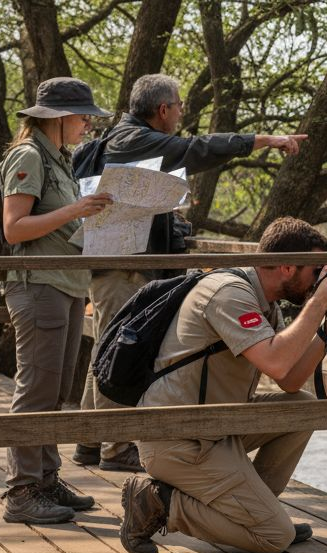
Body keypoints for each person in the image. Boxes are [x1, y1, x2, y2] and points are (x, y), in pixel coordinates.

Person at [73, 73, 309, 473]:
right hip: (121, 270)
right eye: (179, 106)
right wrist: (264, 141)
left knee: (109, 346)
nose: (181, 112)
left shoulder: (126, 138)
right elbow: (196, 149)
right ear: (163, 109)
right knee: (120, 348)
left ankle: (90, 440)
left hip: (121, 266)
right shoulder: (134, 140)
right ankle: (114, 446)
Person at [119, 217, 327, 553]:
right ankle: (157, 502)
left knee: (302, 407)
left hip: (216, 429)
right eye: (316, 271)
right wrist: (316, 305)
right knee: (273, 537)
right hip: (178, 438)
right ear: (286, 266)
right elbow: (276, 362)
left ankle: (255, 513)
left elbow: (289, 380)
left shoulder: (262, 298)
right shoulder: (229, 293)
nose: (319, 280)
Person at [0, 77, 116, 524]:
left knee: (54, 392)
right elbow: (15, 228)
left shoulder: (60, 159)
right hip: (38, 285)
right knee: (35, 392)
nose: (88, 123)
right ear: (59, 118)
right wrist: (77, 211)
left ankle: (46, 479)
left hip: (66, 284)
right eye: (84, 116)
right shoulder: (29, 156)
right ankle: (22, 492)